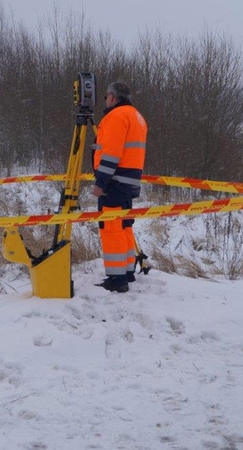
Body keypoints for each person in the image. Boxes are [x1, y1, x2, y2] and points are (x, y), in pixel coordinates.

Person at [92, 81, 147, 293]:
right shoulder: (137, 117)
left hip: (115, 182)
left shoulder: (116, 116)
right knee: (124, 226)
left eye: (107, 96)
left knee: (112, 228)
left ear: (113, 97)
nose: (105, 100)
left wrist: (100, 183)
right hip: (129, 181)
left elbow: (111, 154)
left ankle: (117, 279)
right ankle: (127, 271)